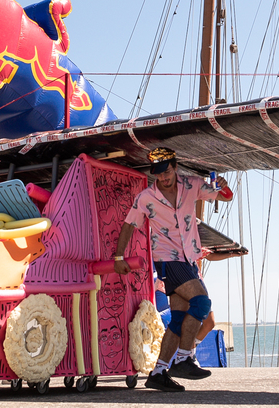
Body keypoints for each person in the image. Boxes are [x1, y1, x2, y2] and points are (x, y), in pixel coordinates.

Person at [113, 147, 228, 392]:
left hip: (189, 259)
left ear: (174, 167)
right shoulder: (147, 197)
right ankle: (184, 357)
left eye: (166, 172)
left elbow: (223, 196)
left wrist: (224, 186)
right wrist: (119, 256)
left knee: (177, 319)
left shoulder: (192, 185)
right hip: (167, 259)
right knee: (201, 304)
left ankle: (158, 372)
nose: (163, 178)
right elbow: (128, 224)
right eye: (158, 174)